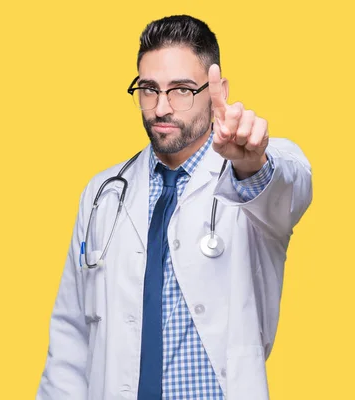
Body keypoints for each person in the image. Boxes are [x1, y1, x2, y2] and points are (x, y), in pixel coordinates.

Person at [36, 14, 313, 400]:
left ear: (217, 89)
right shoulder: (102, 193)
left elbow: (288, 185)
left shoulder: (250, 175)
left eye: (182, 89)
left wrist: (251, 164)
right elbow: (71, 338)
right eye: (149, 89)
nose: (161, 107)